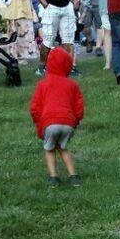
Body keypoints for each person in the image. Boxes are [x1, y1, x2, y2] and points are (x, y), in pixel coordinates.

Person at [29, 45, 84, 188]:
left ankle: (53, 178)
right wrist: (75, 122)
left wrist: (38, 122)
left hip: (50, 123)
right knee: (63, 148)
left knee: (49, 149)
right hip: (68, 123)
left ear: (49, 64)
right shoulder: (72, 85)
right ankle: (74, 177)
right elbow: (79, 107)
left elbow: (35, 108)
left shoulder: (43, 84)